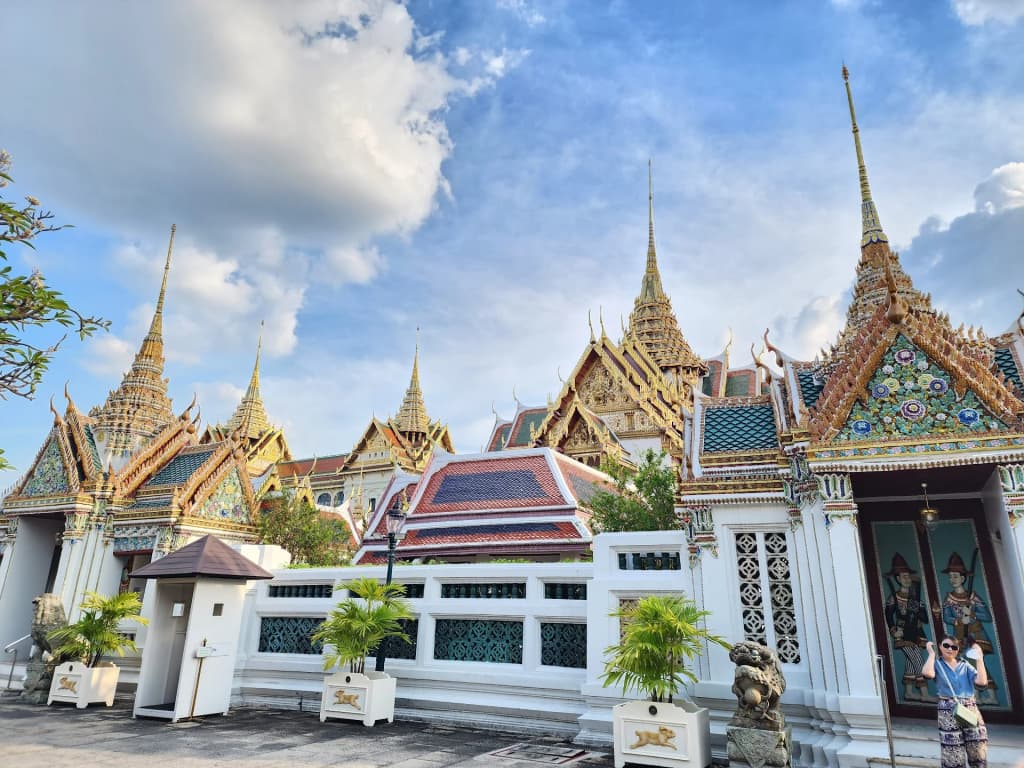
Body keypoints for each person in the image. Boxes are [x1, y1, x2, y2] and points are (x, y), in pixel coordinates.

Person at [935, 551, 998, 704]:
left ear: (963, 578)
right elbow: (946, 617)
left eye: (955, 576)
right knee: (968, 664)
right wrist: (959, 620)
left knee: (973, 661)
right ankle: (980, 695)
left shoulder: (972, 597)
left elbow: (987, 616)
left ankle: (984, 696)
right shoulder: (949, 599)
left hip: (976, 635)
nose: (952, 580)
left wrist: (972, 614)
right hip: (960, 636)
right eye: (950, 577)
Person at [922, 634, 988, 768]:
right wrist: (931, 654)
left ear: (958, 650)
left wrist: (980, 658)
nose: (950, 649)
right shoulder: (937, 664)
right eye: (946, 645)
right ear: (940, 646)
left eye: (954, 647)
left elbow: (981, 682)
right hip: (947, 709)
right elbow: (928, 673)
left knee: (977, 747)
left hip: (969, 707)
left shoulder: (965, 664)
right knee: (952, 751)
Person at [883, 553, 933, 702]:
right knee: (918, 660)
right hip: (902, 633)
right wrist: (893, 630)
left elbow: (925, 618)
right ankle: (924, 694)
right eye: (903, 577)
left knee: (911, 663)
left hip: (916, 632)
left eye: (908, 576)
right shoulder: (895, 597)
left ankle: (909, 693)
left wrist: (916, 610)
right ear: (898, 579)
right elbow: (888, 615)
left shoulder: (915, 598)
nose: (907, 579)